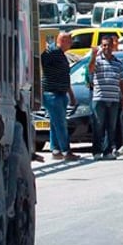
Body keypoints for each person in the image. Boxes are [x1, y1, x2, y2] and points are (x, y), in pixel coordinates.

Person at [87, 32, 123, 160]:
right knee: (98, 125)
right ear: (101, 46)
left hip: (114, 99)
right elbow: (91, 70)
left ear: (113, 46)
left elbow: (122, 82)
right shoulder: (97, 61)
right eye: (104, 45)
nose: (106, 48)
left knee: (111, 126)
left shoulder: (118, 63)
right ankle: (97, 151)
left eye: (108, 45)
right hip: (99, 98)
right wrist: (93, 55)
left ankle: (108, 151)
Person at [40, 32, 79, 161]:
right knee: (61, 123)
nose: (71, 44)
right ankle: (66, 151)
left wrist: (71, 96)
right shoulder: (52, 52)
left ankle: (56, 149)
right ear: (62, 40)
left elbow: (65, 77)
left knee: (55, 123)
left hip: (61, 93)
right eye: (69, 41)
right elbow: (42, 59)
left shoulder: (62, 55)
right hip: (52, 94)